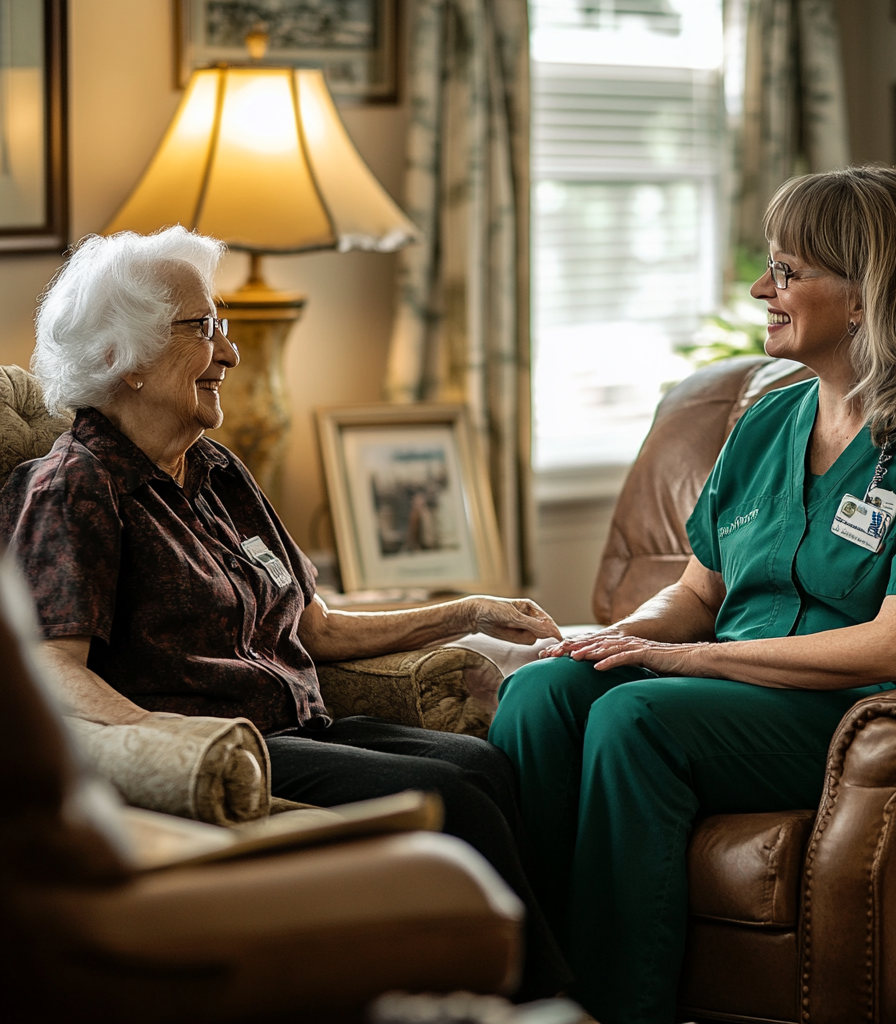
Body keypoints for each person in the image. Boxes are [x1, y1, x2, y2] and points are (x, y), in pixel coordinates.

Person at [488, 165, 896, 1024]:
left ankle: (618, 1008)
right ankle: (531, 992)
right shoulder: (771, 417)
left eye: (786, 271)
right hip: (721, 682)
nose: (758, 289)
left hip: (849, 711)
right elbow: (696, 593)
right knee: (542, 694)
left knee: (639, 718)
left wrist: (689, 659)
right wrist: (618, 638)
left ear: (863, 297)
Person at [0, 226, 570, 999]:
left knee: (485, 762)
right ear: (119, 358)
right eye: (202, 329)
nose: (229, 352)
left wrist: (468, 611)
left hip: (297, 725)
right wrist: (165, 737)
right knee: (458, 795)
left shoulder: (214, 470)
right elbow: (53, 669)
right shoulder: (76, 486)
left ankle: (512, 992)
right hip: (219, 744)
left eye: (221, 326)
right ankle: (552, 1004)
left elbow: (316, 626)